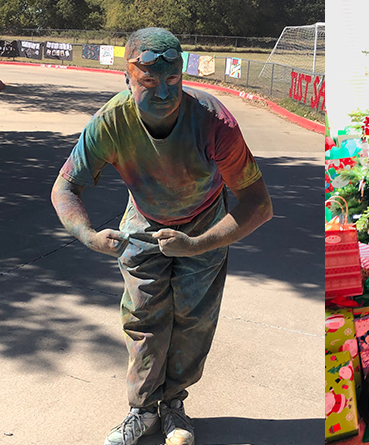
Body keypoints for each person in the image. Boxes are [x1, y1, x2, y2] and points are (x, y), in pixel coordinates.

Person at [50, 28, 272, 445]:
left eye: (173, 81)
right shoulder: (111, 123)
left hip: (204, 225)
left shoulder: (213, 121)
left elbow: (258, 203)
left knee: (192, 320)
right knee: (144, 319)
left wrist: (199, 243)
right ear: (128, 80)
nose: (164, 94)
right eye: (149, 83)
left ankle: (174, 407)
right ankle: (141, 410)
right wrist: (88, 235)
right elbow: (64, 188)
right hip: (144, 224)